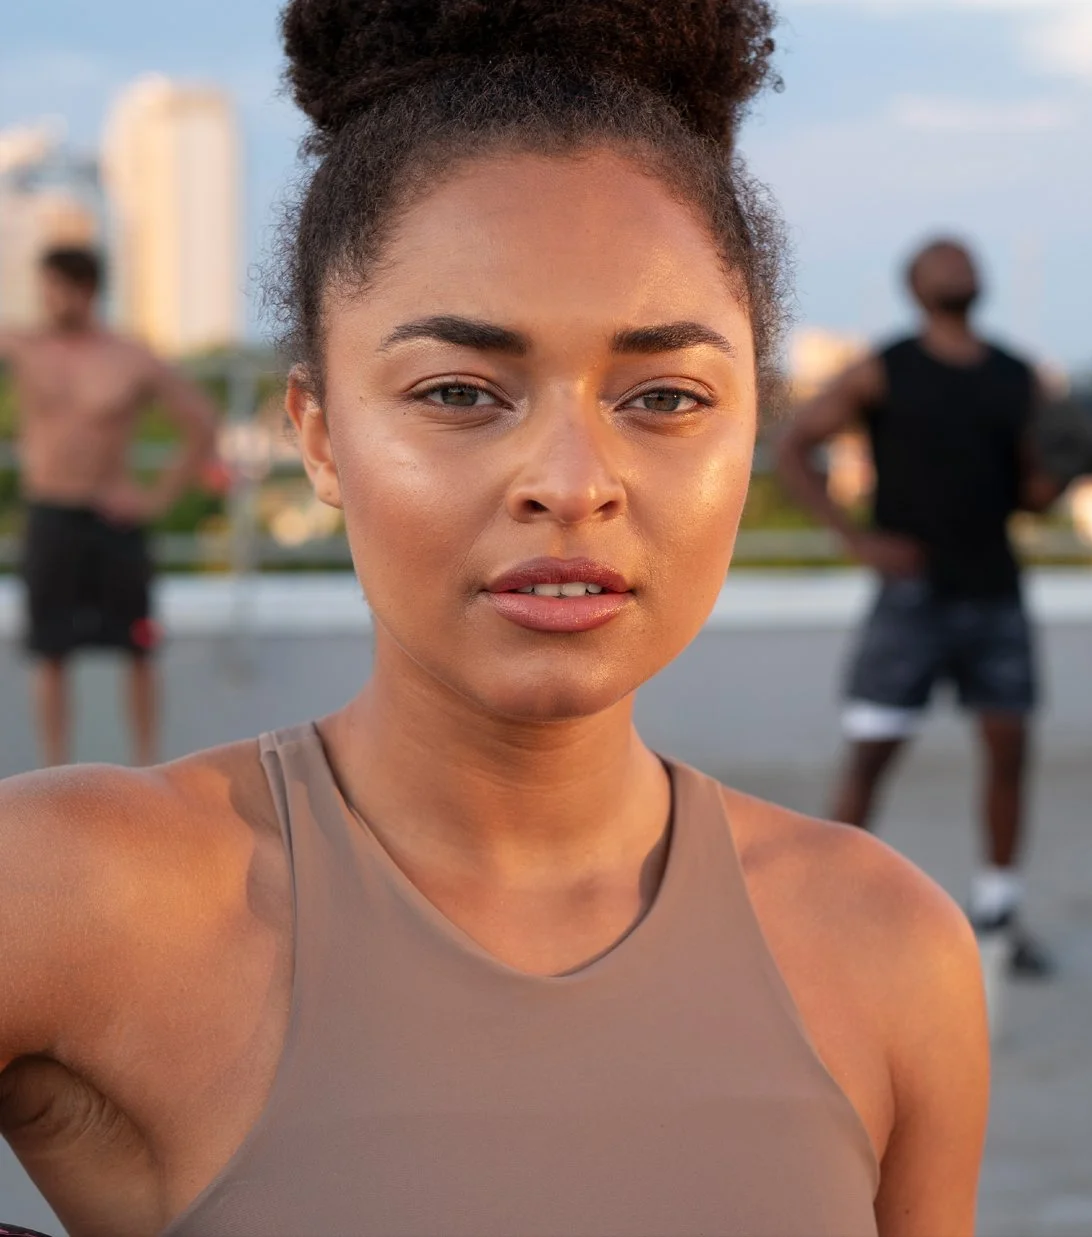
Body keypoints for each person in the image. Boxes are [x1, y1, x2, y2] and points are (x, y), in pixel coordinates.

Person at [0, 4, 988, 1235]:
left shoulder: (890, 947)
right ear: (316, 435)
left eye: (667, 396)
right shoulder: (75, 896)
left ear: (753, 428)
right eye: (460, 391)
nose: (571, 481)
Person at [777, 238, 1063, 978]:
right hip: (911, 595)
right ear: (916, 283)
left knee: (1008, 754)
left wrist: (1066, 472)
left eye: (966, 255)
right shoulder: (885, 367)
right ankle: (826, 911)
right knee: (871, 755)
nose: (959, 262)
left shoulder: (1016, 376)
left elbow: (1033, 488)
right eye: (942, 256)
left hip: (995, 587)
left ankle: (998, 916)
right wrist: (857, 541)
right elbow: (794, 446)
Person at [0, 246, 217, 767]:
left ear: (89, 290)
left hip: (113, 520)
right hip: (50, 514)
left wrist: (155, 496)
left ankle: (147, 769)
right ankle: (53, 774)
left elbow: (201, 420)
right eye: (45, 287)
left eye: (61, 288)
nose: (51, 300)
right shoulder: (24, 346)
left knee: (138, 648)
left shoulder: (128, 357)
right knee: (49, 650)